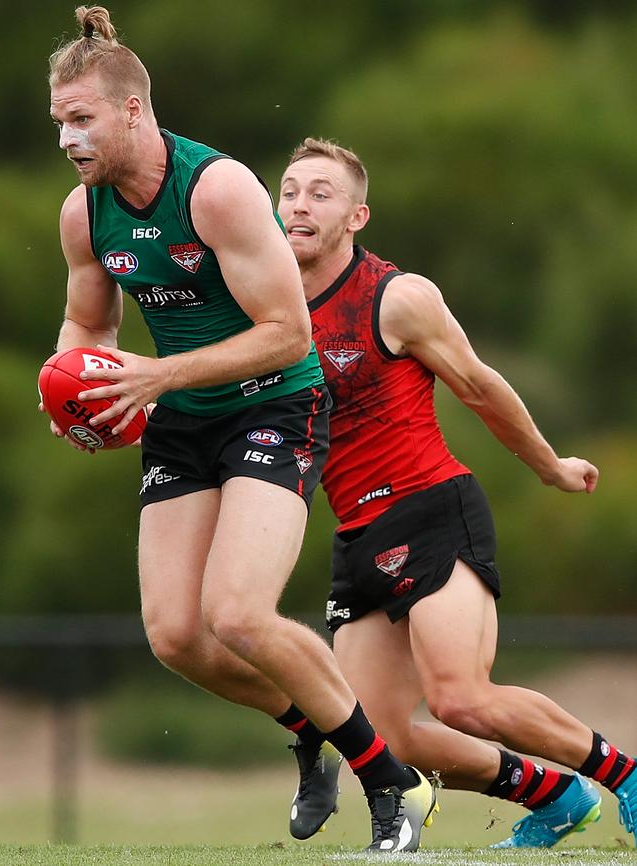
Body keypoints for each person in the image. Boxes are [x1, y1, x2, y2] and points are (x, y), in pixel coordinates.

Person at [44, 7, 437, 853]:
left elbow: (290, 334)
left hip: (274, 405)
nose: (70, 140)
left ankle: (388, 784)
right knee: (177, 638)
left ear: (133, 112)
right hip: (182, 418)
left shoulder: (216, 189)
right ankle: (310, 731)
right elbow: (88, 330)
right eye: (60, 123)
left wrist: (157, 375)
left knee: (238, 615)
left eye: (83, 119)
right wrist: (70, 387)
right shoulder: (84, 214)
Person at [275, 136, 637, 849]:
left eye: (321, 192)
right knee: (375, 741)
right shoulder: (264, 303)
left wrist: (550, 466)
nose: (298, 204)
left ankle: (625, 776)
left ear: (357, 216)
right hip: (357, 534)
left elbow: (478, 385)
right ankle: (555, 798)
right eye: (288, 190)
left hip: (431, 507)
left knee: (462, 700)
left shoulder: (397, 297)